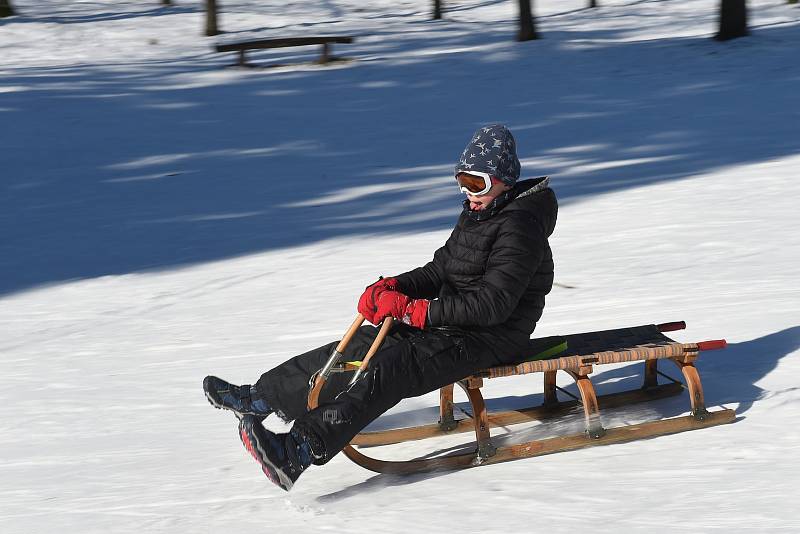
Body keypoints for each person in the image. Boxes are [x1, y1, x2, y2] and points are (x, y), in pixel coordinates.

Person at [203, 124, 558, 491]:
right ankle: (260, 399)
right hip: (452, 324)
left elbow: (492, 306)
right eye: (462, 181)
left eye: (477, 184)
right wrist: (393, 287)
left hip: (491, 336)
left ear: (504, 180)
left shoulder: (521, 227)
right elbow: (440, 269)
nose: (468, 193)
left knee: (392, 366)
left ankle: (297, 450)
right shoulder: (480, 214)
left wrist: (416, 311)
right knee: (360, 348)